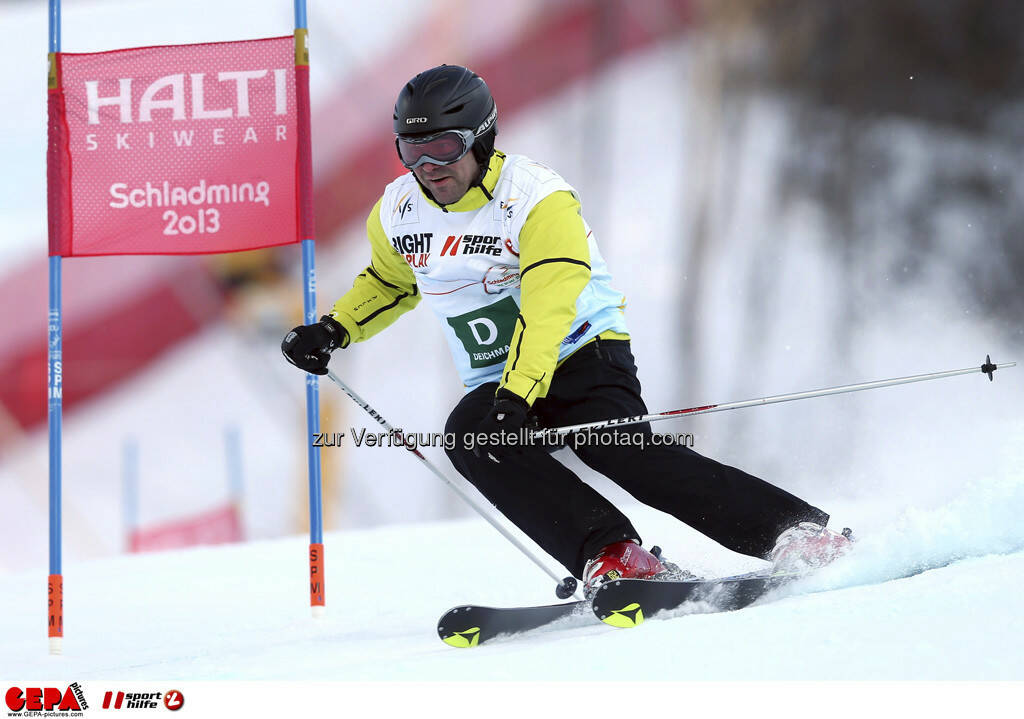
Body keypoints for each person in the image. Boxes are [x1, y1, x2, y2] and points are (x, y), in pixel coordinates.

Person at [282, 64, 851, 595]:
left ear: (480, 139)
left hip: (579, 349)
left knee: (619, 452)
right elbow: (391, 282)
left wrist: (518, 394)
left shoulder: (536, 200)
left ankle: (798, 534)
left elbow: (549, 307)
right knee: (472, 438)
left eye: (443, 148)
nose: (428, 166)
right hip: (504, 372)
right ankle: (616, 555)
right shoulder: (399, 211)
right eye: (412, 150)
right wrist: (334, 329)